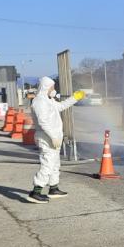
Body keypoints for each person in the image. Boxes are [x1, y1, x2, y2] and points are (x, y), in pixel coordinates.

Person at [27, 76, 85, 204]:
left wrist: (74, 98)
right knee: (47, 164)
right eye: (52, 87)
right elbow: (43, 122)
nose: (54, 89)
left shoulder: (49, 100)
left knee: (55, 164)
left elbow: (61, 106)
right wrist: (53, 136)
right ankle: (35, 192)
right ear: (46, 87)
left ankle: (53, 188)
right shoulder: (39, 102)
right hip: (46, 137)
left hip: (54, 137)